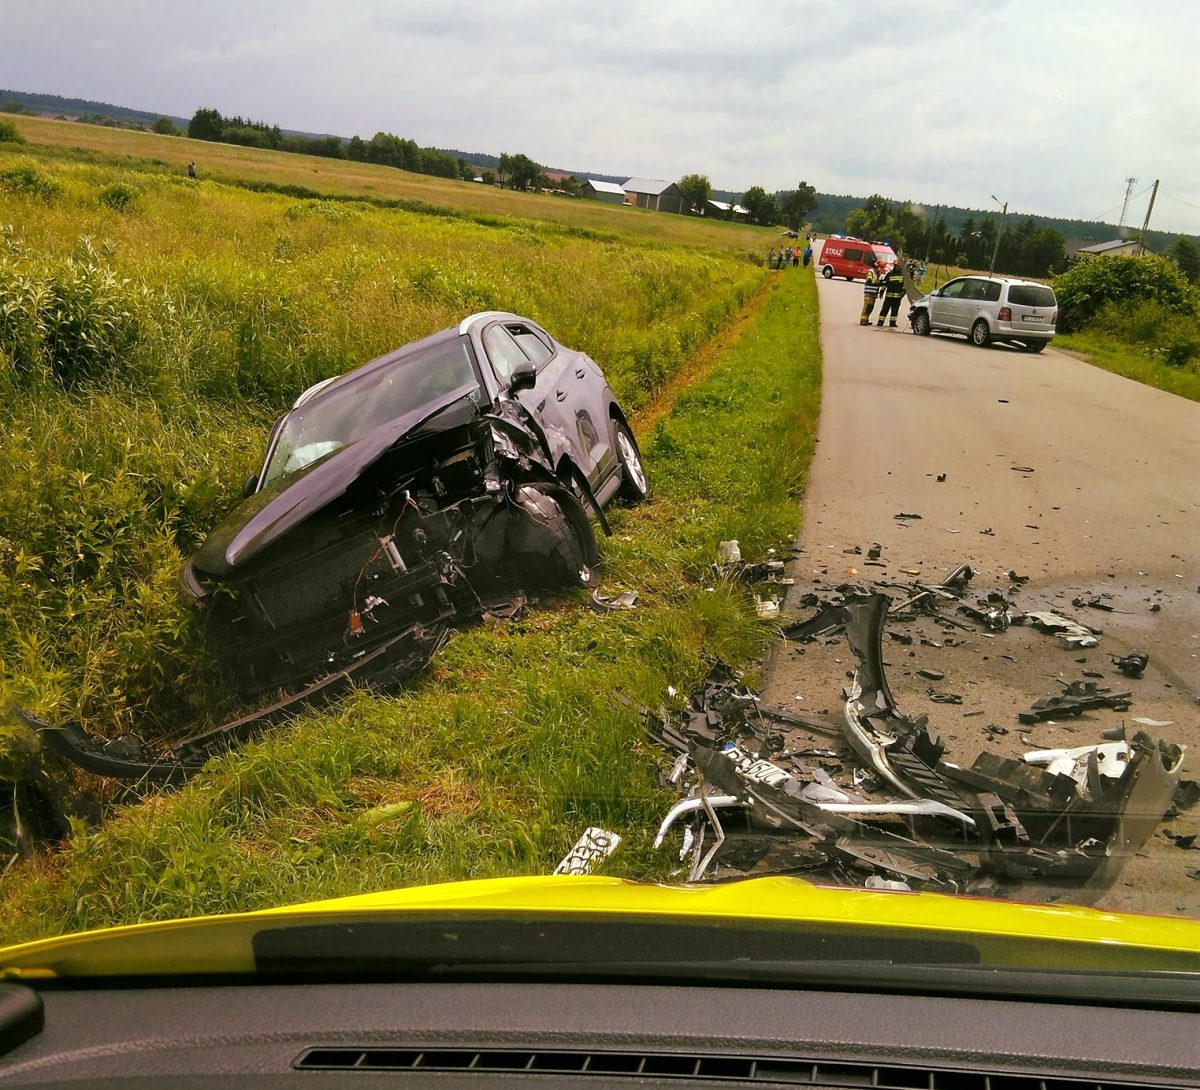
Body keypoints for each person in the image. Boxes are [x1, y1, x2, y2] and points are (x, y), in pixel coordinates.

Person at [877, 259, 907, 328]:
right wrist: (881, 292)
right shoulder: (890, 274)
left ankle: (892, 323)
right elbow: (885, 284)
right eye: (896, 266)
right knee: (884, 309)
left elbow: (905, 285)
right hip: (889, 296)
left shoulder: (903, 275)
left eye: (898, 266)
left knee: (895, 310)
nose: (897, 267)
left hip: (897, 297)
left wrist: (903, 292)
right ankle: (880, 322)